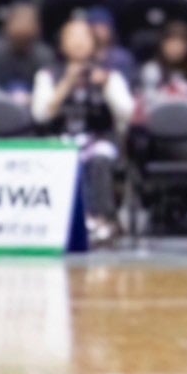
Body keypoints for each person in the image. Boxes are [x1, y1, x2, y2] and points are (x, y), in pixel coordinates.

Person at [32, 18, 135, 245]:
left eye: (84, 36)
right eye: (72, 37)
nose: (78, 42)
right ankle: (59, 222)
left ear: (93, 42)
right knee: (62, 159)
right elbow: (40, 115)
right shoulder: (48, 75)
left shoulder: (109, 75)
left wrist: (107, 86)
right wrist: (66, 84)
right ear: (62, 44)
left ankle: (101, 220)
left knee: (99, 158)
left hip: (98, 139)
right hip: (60, 139)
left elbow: (127, 113)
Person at [0, 1, 56, 99]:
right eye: (18, 22)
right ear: (6, 26)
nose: (22, 27)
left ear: (38, 29)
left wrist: (29, 98)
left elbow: (45, 89)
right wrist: (8, 99)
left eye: (25, 39)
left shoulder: (44, 55)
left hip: (33, 103)